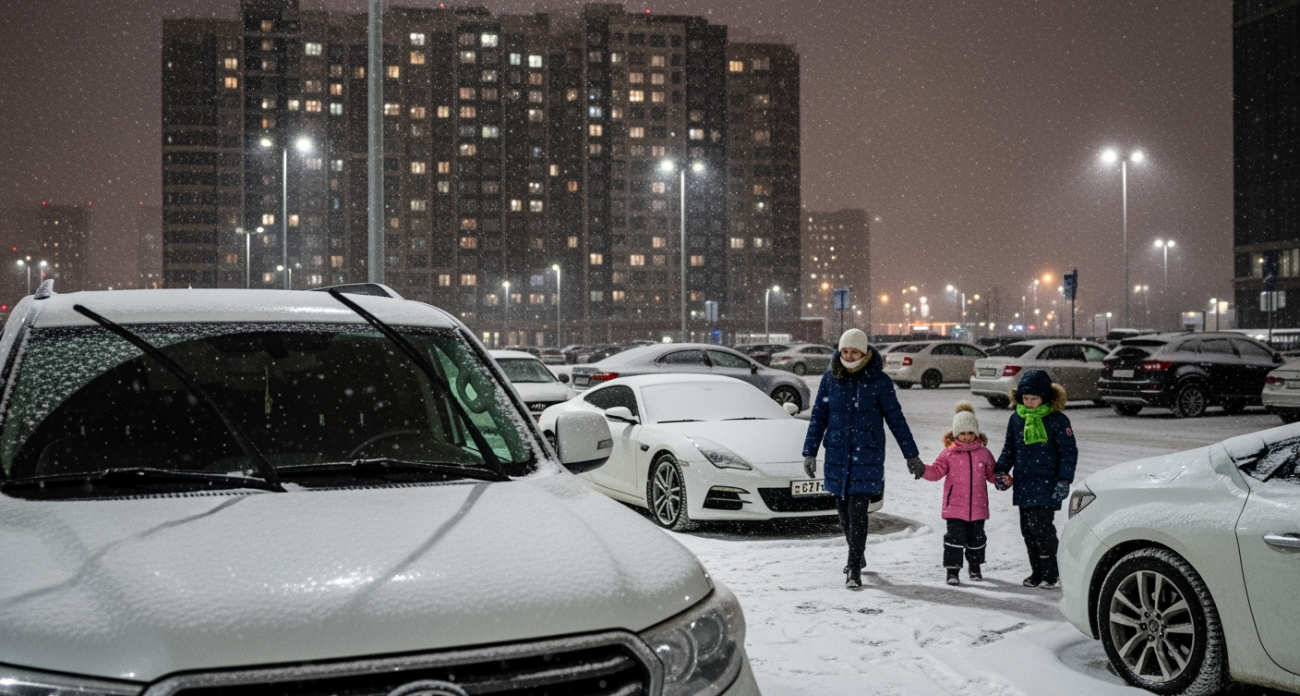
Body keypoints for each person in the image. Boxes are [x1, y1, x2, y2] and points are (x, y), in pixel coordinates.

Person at [803, 328, 925, 590]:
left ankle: (854, 566)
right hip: (837, 454)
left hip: (866, 454)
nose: (849, 356)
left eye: (854, 351)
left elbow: (896, 419)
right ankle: (857, 552)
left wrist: (911, 455)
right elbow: (818, 418)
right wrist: (809, 451)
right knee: (843, 514)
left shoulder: (878, 381)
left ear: (864, 352)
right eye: (845, 351)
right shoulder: (830, 379)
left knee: (858, 511)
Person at [994, 370, 1077, 589]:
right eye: (1025, 398)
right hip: (1023, 484)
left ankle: (1053, 573)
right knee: (1028, 531)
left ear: (1045, 398)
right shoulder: (1016, 419)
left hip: (1047, 484)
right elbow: (1009, 449)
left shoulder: (1058, 420)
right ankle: (1036, 572)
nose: (1029, 403)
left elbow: (1068, 452)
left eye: (1034, 399)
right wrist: (1000, 471)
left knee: (1042, 529)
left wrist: (1064, 480)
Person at [921, 401, 1000, 586]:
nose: (966, 437)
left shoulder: (984, 454)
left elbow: (992, 475)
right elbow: (936, 472)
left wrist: (1002, 479)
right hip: (955, 507)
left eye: (970, 433)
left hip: (978, 507)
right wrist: (921, 469)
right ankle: (952, 571)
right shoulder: (948, 454)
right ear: (956, 434)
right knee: (954, 540)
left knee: (977, 540)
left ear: (976, 433)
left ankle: (975, 566)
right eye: (962, 433)